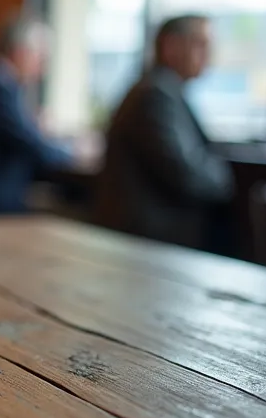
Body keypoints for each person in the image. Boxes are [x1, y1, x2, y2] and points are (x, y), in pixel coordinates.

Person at [95, 14, 233, 250]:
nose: (209, 56)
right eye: (200, 45)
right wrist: (231, 178)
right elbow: (185, 173)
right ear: (171, 47)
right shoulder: (156, 95)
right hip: (150, 240)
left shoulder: (162, 89)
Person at [0, 15, 74, 213]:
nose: (42, 68)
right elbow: (38, 149)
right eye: (39, 57)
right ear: (20, 52)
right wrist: (74, 150)